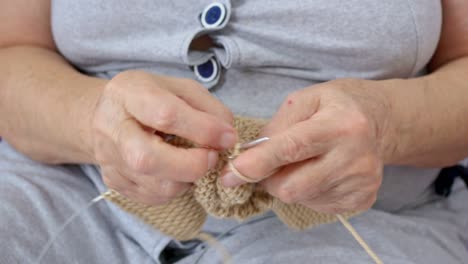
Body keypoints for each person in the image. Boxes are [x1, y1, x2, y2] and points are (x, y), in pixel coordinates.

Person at [1, 0, 467, 263]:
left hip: (358, 222)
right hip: (68, 191)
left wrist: (385, 123)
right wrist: (93, 120)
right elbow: (12, 50)